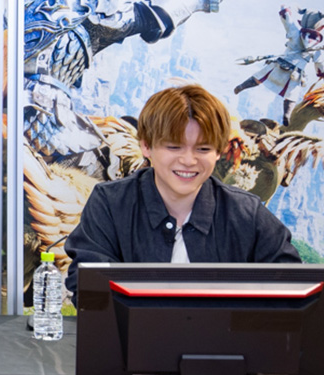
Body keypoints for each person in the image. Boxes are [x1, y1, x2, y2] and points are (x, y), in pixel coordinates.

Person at [64, 84, 300, 296]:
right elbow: (88, 286)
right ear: (146, 146)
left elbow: (292, 286)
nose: (188, 161)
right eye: (174, 147)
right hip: (133, 333)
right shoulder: (110, 203)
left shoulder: (247, 212)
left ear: (218, 152)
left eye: (203, 149)